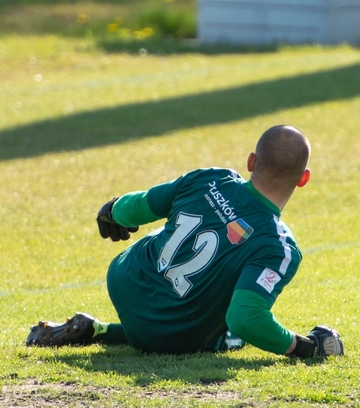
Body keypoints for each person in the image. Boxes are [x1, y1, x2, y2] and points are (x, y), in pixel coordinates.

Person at [26, 125, 344, 359]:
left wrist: (112, 210)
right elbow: (245, 319)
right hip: (171, 332)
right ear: (303, 179)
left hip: (125, 279)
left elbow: (138, 205)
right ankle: (107, 330)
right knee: (232, 336)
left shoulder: (211, 178)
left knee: (171, 235)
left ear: (251, 161)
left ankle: (98, 331)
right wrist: (308, 347)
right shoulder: (280, 246)